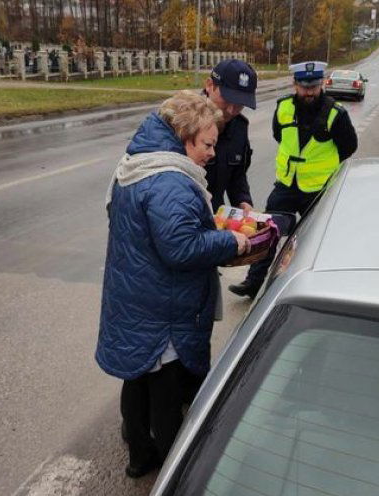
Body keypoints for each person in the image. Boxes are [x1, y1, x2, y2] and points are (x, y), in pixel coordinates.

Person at [96, 90, 250, 479]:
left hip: (135, 293)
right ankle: (174, 471)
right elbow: (180, 248)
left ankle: (139, 457)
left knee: (137, 378)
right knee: (164, 391)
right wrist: (230, 241)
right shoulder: (171, 182)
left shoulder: (139, 163)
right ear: (184, 137)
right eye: (207, 144)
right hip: (162, 305)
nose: (212, 153)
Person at [229, 61, 358, 298]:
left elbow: (349, 146)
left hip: (318, 189)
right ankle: (253, 282)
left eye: (314, 86)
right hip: (287, 185)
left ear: (321, 84)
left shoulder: (336, 114)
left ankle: (311, 286)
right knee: (267, 232)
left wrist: (321, 166)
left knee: (314, 238)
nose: (309, 91)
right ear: (295, 84)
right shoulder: (283, 107)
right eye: (304, 86)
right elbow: (280, 135)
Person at [202, 59, 258, 213]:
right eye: (227, 99)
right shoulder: (184, 123)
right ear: (209, 86)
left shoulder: (239, 127)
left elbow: (237, 176)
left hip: (217, 220)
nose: (232, 110)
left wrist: (243, 201)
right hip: (186, 218)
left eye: (240, 103)